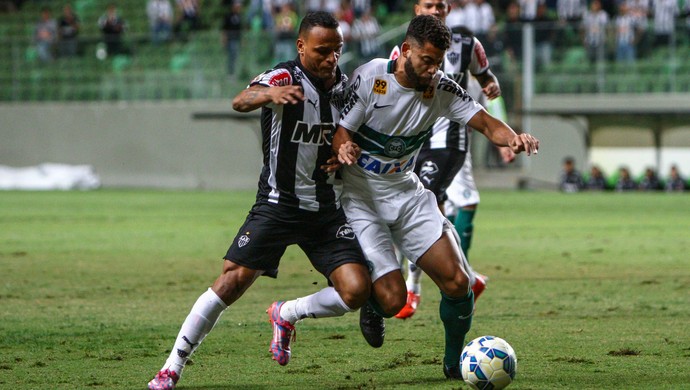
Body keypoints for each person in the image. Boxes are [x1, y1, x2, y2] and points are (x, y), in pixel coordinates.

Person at [147, 12, 371, 390]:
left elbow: (345, 134)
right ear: (300, 46)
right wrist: (269, 94)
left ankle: (286, 313)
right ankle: (172, 366)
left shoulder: (345, 88)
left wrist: (345, 150)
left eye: (337, 50)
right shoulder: (285, 76)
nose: (331, 58)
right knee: (232, 281)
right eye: (322, 51)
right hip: (277, 204)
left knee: (356, 290)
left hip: (325, 209)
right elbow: (242, 100)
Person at [333, 15, 539, 379]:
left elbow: (486, 123)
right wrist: (345, 147)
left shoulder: (442, 88)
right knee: (393, 299)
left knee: (459, 283)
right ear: (406, 50)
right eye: (427, 60)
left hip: (406, 191)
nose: (434, 69)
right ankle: (374, 307)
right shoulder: (371, 77)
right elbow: (342, 130)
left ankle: (454, 364)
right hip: (361, 196)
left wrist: (514, 138)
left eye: (439, 62)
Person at [395, 0, 505, 320]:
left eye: (441, 5)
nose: (437, 10)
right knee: (434, 216)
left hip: (447, 142)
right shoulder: (402, 49)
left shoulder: (468, 45)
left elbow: (485, 78)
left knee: (418, 209)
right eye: (430, 5)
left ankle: (412, 289)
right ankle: (468, 277)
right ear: (417, 9)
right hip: (412, 143)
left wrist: (491, 85)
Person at [221, 0, 242, 76]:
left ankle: (234, 73)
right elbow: (224, 29)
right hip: (230, 40)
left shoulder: (239, 17)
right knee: (231, 57)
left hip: (236, 39)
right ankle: (230, 73)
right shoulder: (228, 16)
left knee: (235, 56)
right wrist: (224, 39)